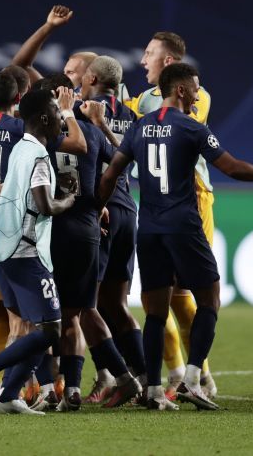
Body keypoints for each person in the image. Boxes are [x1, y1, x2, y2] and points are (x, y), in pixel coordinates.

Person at [97, 63, 253, 410]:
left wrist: (97, 210)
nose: (198, 94)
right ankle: (193, 379)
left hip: (148, 229)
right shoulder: (192, 127)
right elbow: (232, 167)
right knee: (210, 299)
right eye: (195, 88)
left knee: (155, 313)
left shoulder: (139, 128)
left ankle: (152, 390)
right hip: (183, 226)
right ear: (179, 90)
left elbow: (110, 175)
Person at [0, 75, 86, 412]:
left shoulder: (22, 147)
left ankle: (8, 396)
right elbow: (44, 206)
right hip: (24, 251)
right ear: (42, 118)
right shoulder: (36, 155)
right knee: (49, 329)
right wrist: (68, 197)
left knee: (33, 327)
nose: (59, 118)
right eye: (56, 112)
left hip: (2, 245)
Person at [127, 31, 218, 399]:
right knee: (161, 298)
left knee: (186, 292)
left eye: (149, 53)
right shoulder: (142, 101)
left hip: (192, 200)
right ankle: (179, 374)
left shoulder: (195, 97)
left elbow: (151, 122)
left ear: (168, 63)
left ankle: (200, 375)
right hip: (156, 205)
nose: (142, 60)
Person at [77, 56, 148, 404]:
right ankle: (147, 380)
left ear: (91, 77)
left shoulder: (80, 109)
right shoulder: (132, 115)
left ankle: (119, 377)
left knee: (83, 307)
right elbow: (129, 158)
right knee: (116, 305)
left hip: (98, 212)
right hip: (127, 212)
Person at [11, 5, 97, 91]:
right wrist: (49, 26)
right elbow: (19, 68)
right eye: (64, 72)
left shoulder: (105, 102)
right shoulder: (53, 96)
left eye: (70, 73)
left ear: (91, 78)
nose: (63, 77)